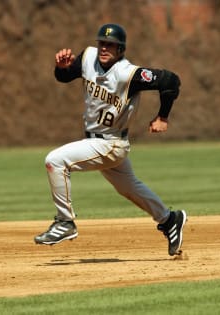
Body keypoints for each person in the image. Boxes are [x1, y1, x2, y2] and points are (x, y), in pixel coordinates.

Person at [34, 23, 187, 256]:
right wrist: (61, 68)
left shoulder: (128, 73)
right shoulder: (88, 57)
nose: (104, 48)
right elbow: (64, 77)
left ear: (121, 49)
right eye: (102, 43)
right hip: (99, 142)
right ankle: (169, 220)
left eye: (111, 45)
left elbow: (170, 81)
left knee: (55, 161)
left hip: (110, 143)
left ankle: (65, 222)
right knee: (129, 188)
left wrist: (162, 116)